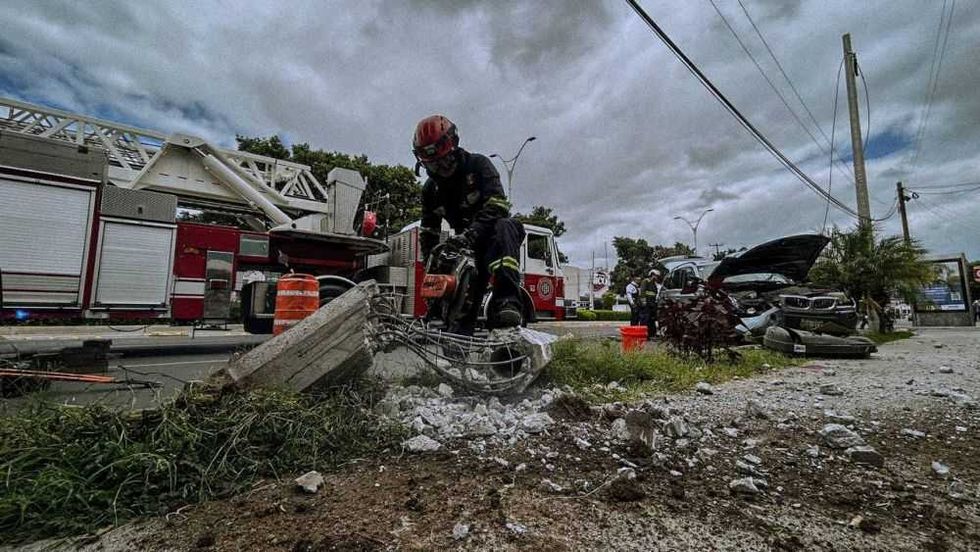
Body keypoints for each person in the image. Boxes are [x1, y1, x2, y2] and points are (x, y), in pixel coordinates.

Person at [414, 114, 525, 334]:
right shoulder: (431, 190)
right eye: (434, 165)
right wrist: (433, 275)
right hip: (466, 249)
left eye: (444, 161)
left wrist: (471, 234)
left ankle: (506, 303)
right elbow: (429, 233)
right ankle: (454, 342)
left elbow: (498, 206)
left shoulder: (478, 165)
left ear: (453, 148)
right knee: (460, 314)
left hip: (493, 239)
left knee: (507, 225)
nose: (441, 168)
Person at [639, 268, 662, 338]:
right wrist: (644, 302)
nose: (657, 278)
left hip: (652, 304)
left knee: (651, 320)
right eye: (656, 276)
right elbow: (642, 292)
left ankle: (651, 334)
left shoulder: (654, 284)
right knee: (645, 319)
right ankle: (643, 334)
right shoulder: (646, 281)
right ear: (652, 275)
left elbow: (654, 294)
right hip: (646, 304)